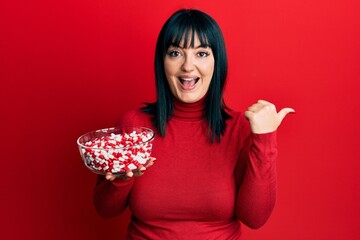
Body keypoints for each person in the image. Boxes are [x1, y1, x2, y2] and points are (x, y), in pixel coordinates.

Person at [93, 9, 294, 239]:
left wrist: (265, 140)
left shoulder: (240, 129)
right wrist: (121, 180)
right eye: (176, 52)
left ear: (217, 62)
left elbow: (255, 218)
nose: (188, 66)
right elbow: (105, 209)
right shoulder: (134, 125)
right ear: (163, 61)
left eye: (201, 53)